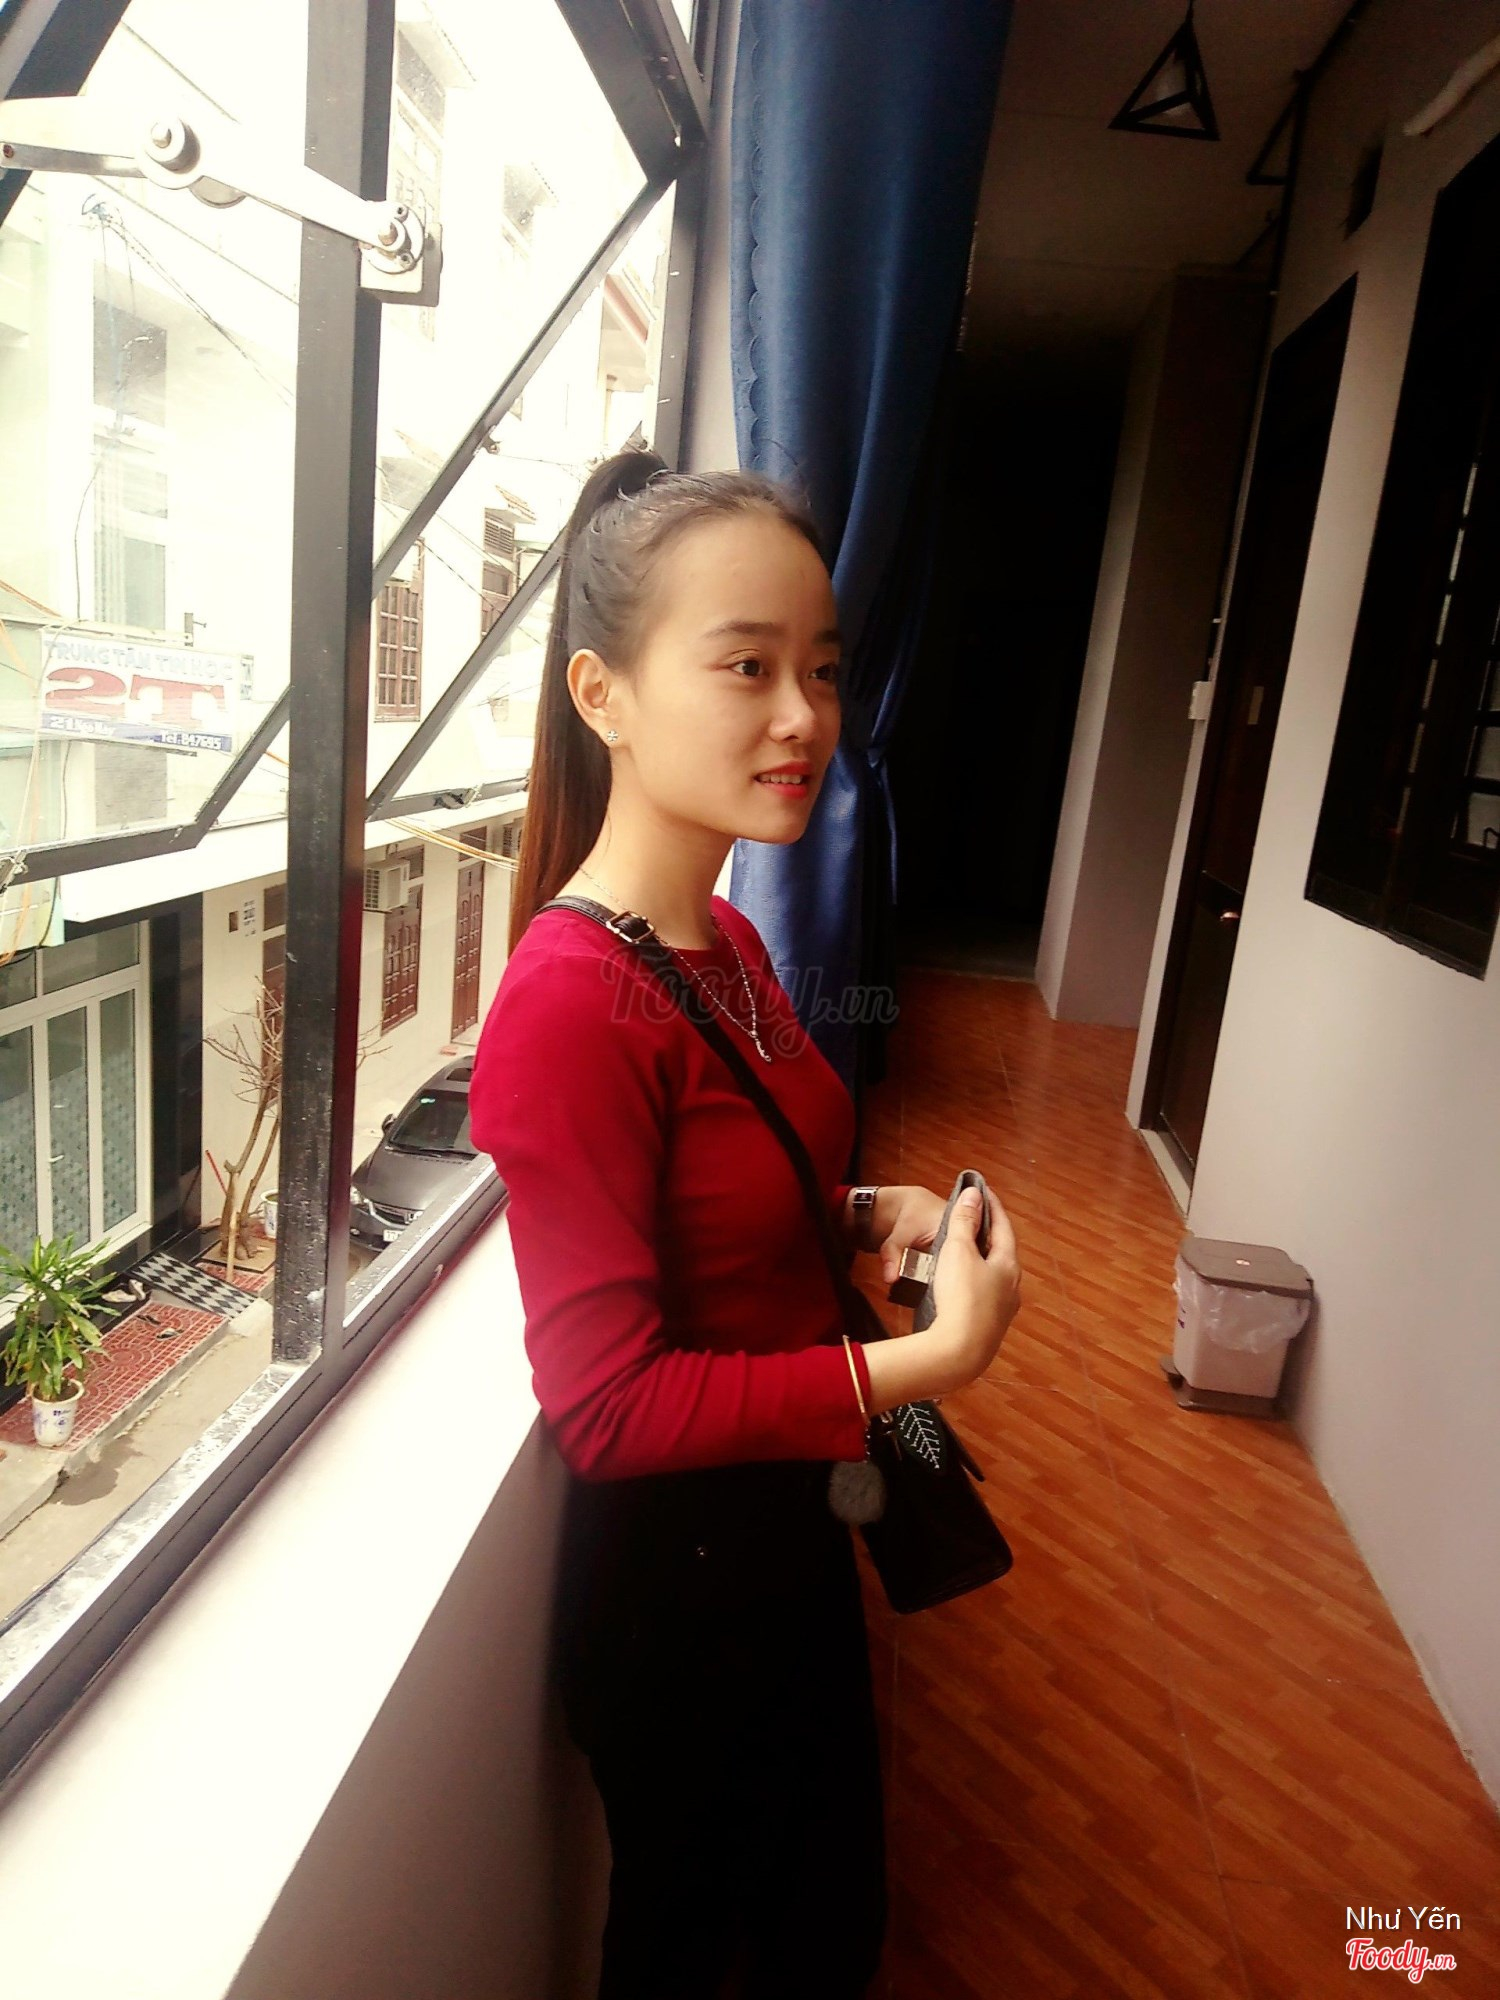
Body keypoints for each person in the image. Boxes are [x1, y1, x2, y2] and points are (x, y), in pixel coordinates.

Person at [468, 445, 1022, 1999]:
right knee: (718, 1952)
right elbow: (606, 1407)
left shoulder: (720, 938)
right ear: (603, 694)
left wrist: (862, 1212)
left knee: (826, 1924)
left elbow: (726, 1189)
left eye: (824, 670)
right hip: (684, 1594)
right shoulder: (571, 1004)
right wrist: (929, 1368)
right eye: (747, 666)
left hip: (786, 1533)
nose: (804, 716)